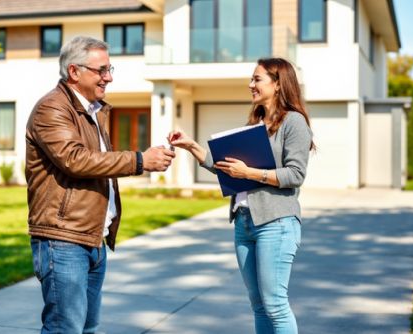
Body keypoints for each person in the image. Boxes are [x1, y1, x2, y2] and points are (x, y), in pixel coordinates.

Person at [25, 36, 175, 334]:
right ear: (74, 72)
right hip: (63, 239)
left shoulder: (92, 111)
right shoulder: (51, 109)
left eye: (110, 68)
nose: (109, 77)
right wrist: (140, 161)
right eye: (102, 70)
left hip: (92, 238)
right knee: (64, 328)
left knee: (87, 328)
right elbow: (75, 160)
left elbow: (97, 162)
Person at [168, 57, 314, 334]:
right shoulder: (255, 122)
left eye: (257, 79)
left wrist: (250, 173)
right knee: (258, 305)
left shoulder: (294, 122)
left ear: (279, 84)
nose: (250, 85)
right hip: (244, 223)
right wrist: (192, 147)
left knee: (275, 305)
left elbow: (295, 174)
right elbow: (227, 168)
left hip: (276, 223)